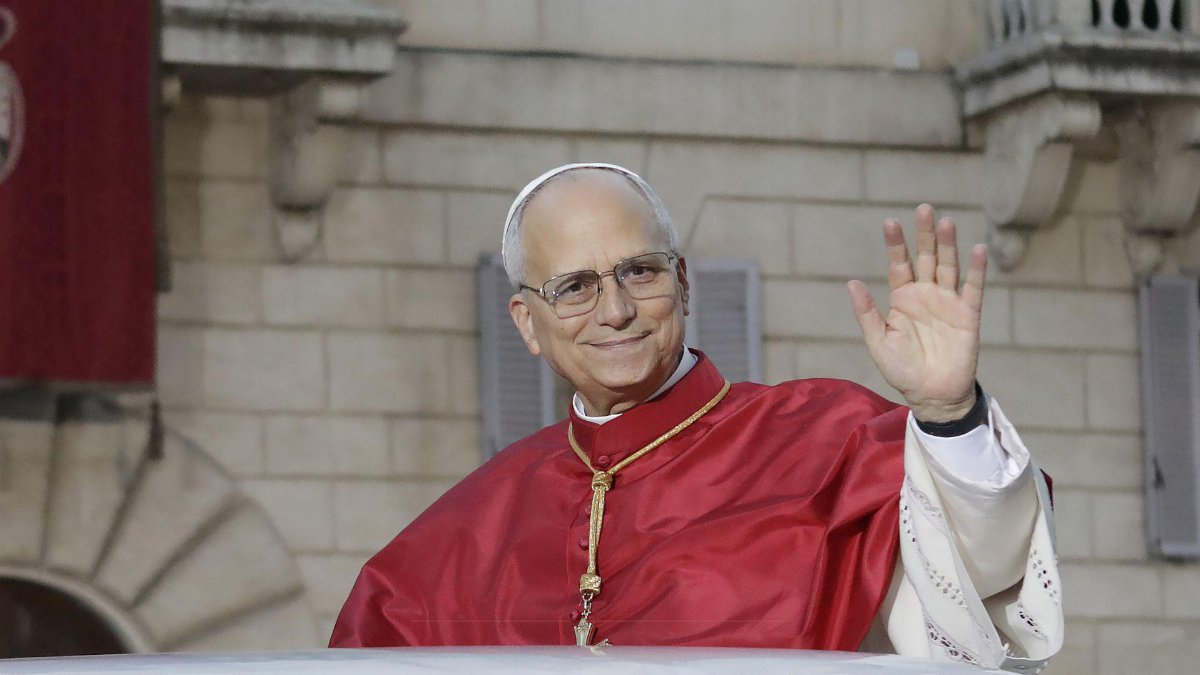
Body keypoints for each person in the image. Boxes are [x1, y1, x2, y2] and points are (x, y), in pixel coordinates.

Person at [330, 163, 1062, 672]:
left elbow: (982, 580)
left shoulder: (827, 439)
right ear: (528, 320)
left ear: (681, 281)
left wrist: (944, 413)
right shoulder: (454, 537)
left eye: (639, 271)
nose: (615, 310)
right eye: (576, 286)